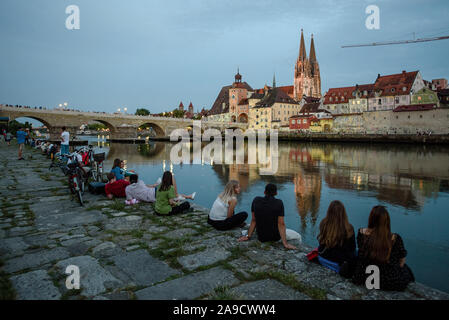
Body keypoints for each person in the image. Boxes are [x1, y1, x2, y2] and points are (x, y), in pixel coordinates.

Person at [352, 205, 415, 291]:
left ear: (371, 219)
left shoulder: (361, 233)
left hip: (365, 277)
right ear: (387, 221)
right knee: (406, 270)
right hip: (387, 281)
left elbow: (361, 252)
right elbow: (401, 262)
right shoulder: (395, 238)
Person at [238, 183, 297, 250]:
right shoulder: (279, 203)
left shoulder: (256, 200)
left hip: (261, 237)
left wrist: (248, 236)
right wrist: (285, 243)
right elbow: (281, 224)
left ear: (264, 192)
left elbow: (254, 220)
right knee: (298, 236)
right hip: (275, 237)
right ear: (276, 193)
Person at [317, 200, 356, 277]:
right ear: (343, 213)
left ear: (329, 211)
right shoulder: (349, 228)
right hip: (337, 264)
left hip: (322, 258)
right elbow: (352, 249)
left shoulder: (323, 223)